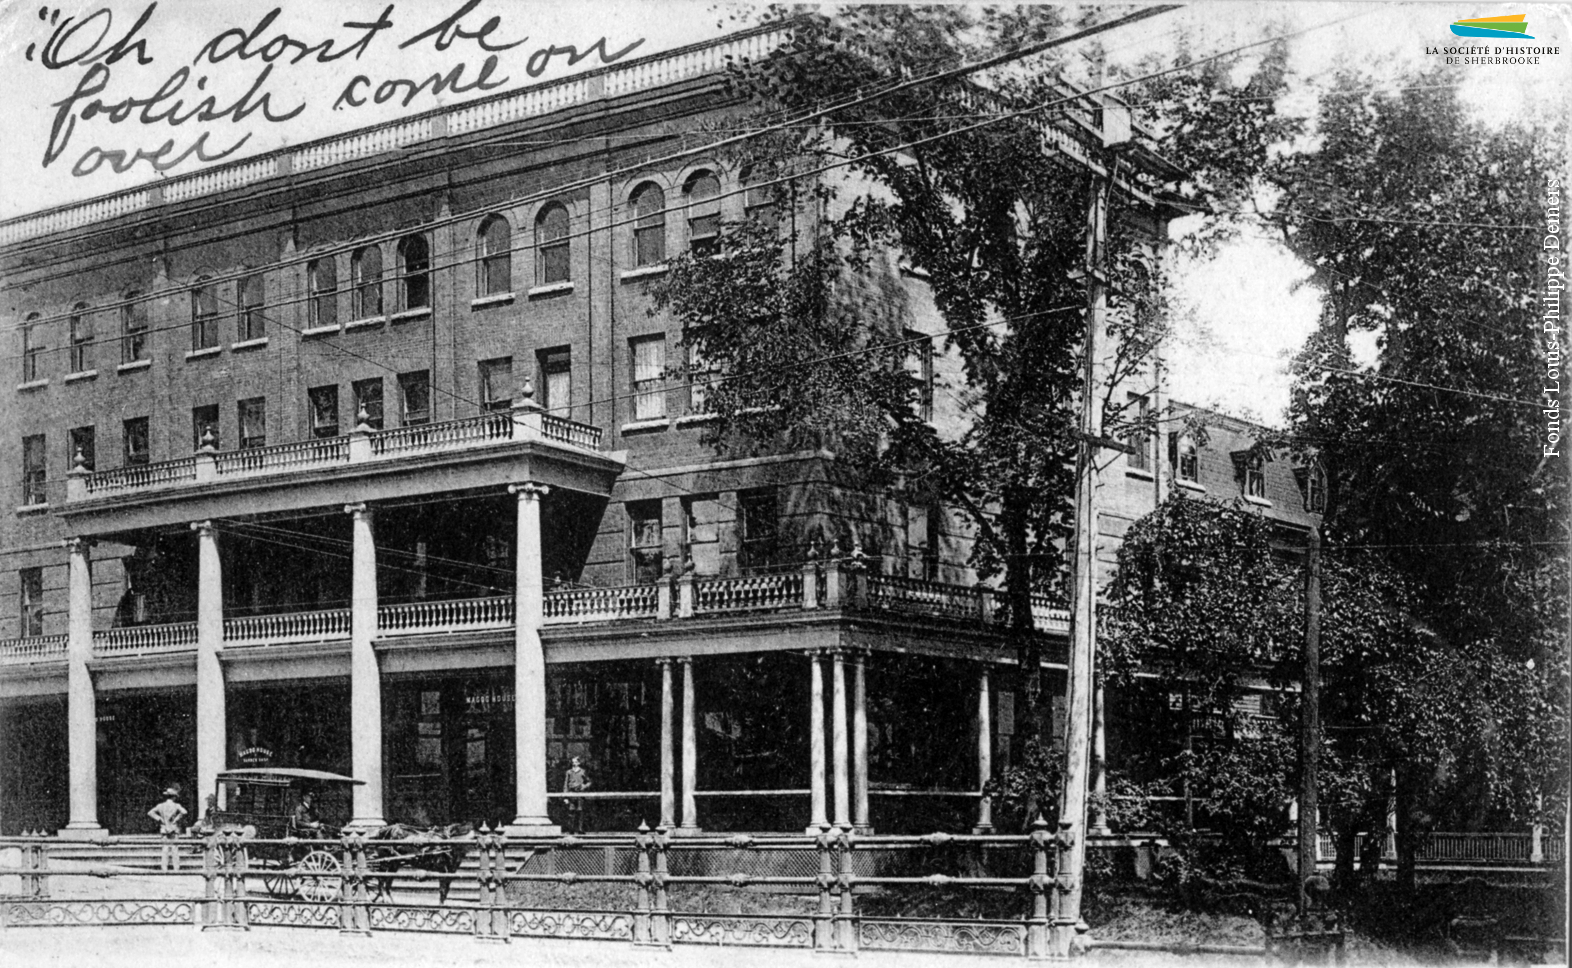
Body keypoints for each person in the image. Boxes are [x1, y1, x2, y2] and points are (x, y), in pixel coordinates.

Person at [147, 788, 188, 871]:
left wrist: (159, 819)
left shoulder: (160, 806)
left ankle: (164, 868)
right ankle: (176, 868)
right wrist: (176, 819)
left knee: (165, 849)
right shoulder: (177, 805)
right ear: (174, 797)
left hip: (164, 828)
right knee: (174, 849)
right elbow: (184, 812)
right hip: (174, 828)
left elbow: (150, 812)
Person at [563, 757, 591, 833]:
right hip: (571, 793)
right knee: (571, 811)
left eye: (575, 762)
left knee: (580, 811)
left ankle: (580, 829)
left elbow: (589, 782)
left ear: (578, 763)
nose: (573, 763)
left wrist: (584, 786)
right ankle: (571, 829)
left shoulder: (582, 772)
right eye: (572, 762)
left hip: (580, 793)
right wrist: (565, 796)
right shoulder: (569, 772)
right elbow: (566, 784)